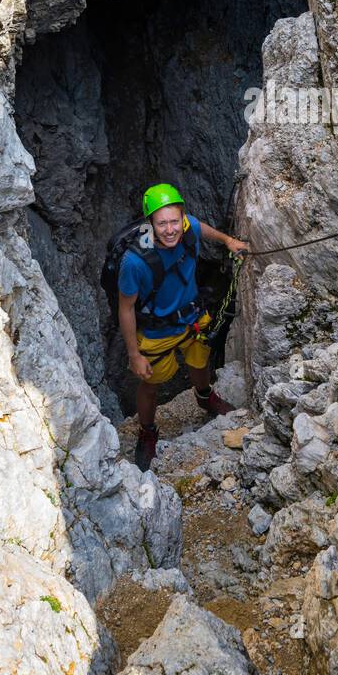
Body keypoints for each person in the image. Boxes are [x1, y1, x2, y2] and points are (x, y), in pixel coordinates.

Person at [117, 183, 249, 471]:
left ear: (182, 217)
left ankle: (204, 398)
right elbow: (125, 308)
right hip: (156, 332)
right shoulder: (134, 262)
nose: (170, 229)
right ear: (150, 223)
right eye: (161, 223)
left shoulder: (188, 228)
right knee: (150, 384)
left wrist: (227, 241)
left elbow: (201, 228)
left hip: (192, 318)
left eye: (174, 221)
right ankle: (147, 431)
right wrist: (134, 356)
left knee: (200, 361)